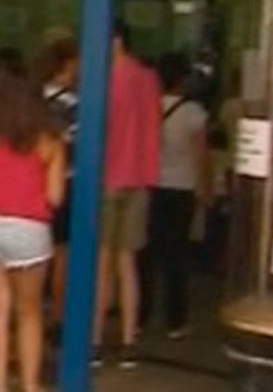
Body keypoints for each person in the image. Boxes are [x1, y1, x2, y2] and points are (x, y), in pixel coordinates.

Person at [0, 71, 66, 392]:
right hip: (29, 230)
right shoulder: (50, 143)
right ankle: (30, 384)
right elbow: (55, 197)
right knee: (30, 312)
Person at [93, 22, 161, 369]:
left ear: (114, 40)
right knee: (127, 263)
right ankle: (129, 338)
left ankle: (93, 339)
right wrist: (149, 175)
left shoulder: (101, 79)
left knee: (101, 263)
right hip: (138, 179)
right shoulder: (148, 79)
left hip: (106, 178)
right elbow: (153, 131)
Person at [139, 52, 210, 340]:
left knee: (146, 254)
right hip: (182, 188)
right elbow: (201, 155)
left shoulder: (147, 107)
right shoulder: (194, 112)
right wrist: (205, 188)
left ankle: (141, 314)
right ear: (183, 79)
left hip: (151, 185)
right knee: (176, 256)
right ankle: (175, 320)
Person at [35, 35, 79, 329]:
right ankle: (59, 312)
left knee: (36, 252)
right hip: (65, 180)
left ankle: (33, 306)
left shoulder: (32, 99)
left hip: (31, 183)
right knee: (62, 251)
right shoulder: (74, 105)